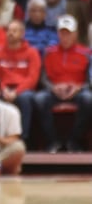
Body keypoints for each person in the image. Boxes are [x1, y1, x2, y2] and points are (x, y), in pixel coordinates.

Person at [34, 14, 92, 152]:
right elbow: (42, 78)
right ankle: (53, 141)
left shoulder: (86, 53)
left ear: (76, 34)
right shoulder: (48, 52)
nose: (65, 37)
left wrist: (78, 88)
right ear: (58, 34)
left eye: (68, 34)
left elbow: (90, 80)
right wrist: (53, 87)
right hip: (54, 90)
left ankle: (74, 141)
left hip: (78, 90)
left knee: (88, 99)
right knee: (39, 99)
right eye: (62, 33)